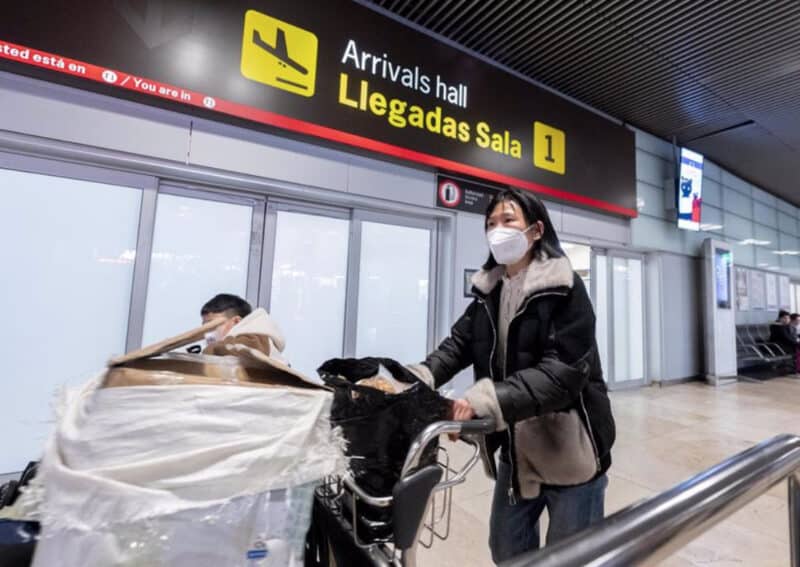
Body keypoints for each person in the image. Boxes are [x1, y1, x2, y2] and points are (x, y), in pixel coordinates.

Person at [409, 189, 615, 563]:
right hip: (516, 452)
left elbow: (560, 375)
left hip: (571, 452)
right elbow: (458, 345)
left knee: (570, 558)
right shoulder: (490, 291)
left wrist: (482, 401)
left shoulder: (566, 289)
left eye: (508, 221)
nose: (497, 231)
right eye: (490, 224)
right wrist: (418, 376)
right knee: (507, 550)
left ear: (536, 230)